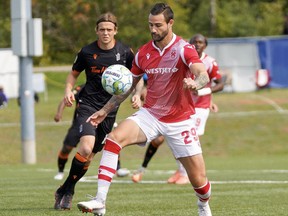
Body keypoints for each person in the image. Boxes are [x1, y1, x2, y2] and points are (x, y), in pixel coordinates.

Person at [77, 3, 212, 216]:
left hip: (180, 120)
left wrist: (196, 83)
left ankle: (203, 206)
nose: (153, 30)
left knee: (199, 180)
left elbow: (201, 72)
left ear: (170, 23)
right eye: (150, 25)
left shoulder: (183, 48)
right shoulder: (143, 52)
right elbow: (129, 84)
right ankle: (100, 201)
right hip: (151, 114)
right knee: (113, 139)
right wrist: (105, 109)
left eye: (158, 25)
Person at [53, 12, 135, 210]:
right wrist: (67, 91)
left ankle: (65, 188)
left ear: (115, 30)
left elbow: (136, 77)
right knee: (86, 148)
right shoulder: (87, 52)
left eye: (109, 29)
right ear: (96, 31)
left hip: (110, 110)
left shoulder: (125, 52)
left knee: (89, 156)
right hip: (88, 105)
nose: (105, 33)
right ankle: (68, 191)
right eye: (102, 29)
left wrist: (138, 94)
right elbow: (73, 75)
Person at [131, 33, 224, 185]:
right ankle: (146, 169)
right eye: (194, 42)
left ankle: (186, 174)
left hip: (199, 107)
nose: (197, 44)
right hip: (177, 105)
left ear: (205, 45)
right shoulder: (182, 55)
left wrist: (204, 93)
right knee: (159, 140)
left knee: (189, 142)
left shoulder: (209, 62)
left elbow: (219, 84)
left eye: (200, 42)